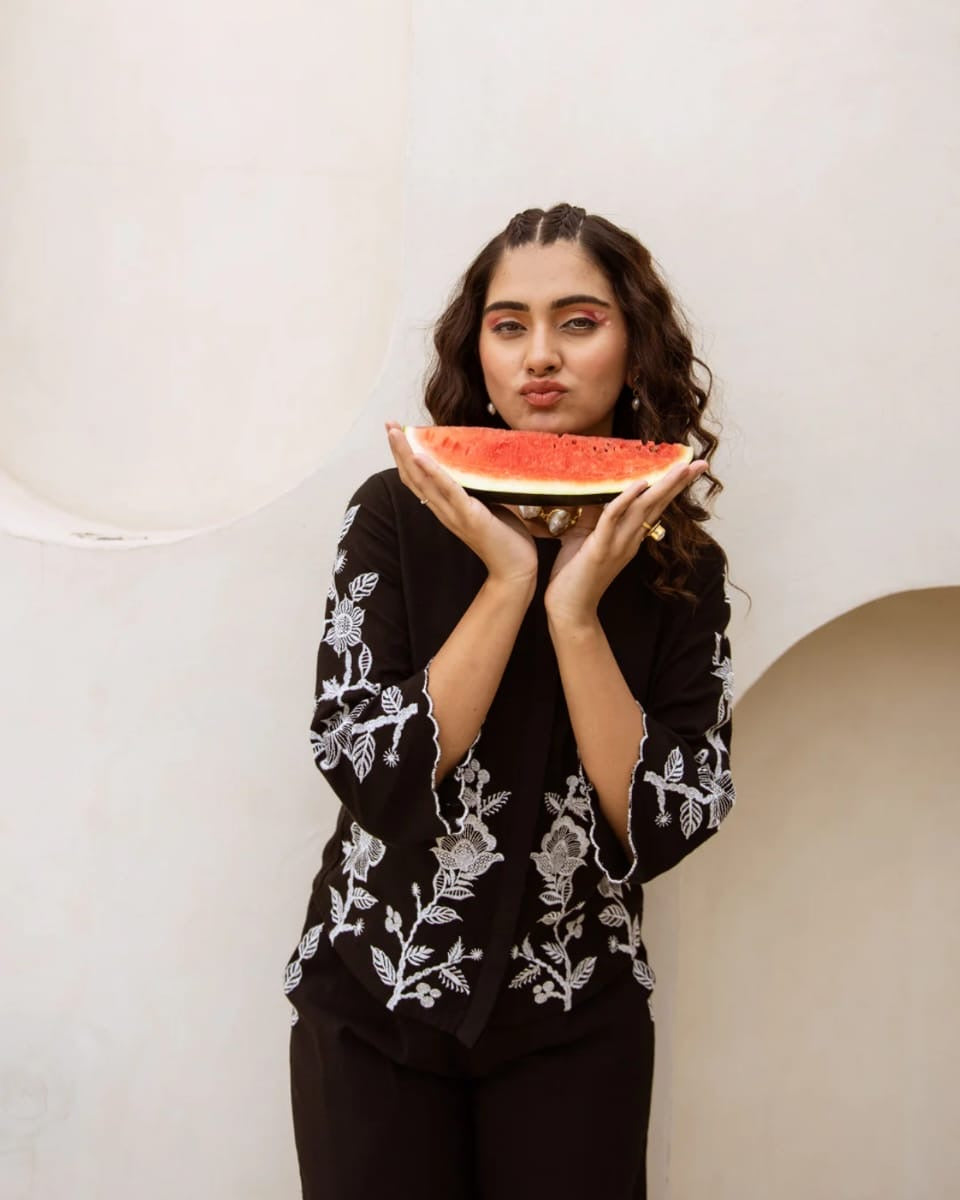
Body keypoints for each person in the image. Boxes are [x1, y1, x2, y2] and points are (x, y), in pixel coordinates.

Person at [283, 203, 737, 1200]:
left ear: (635, 343)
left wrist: (575, 614)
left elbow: (671, 819)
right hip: (375, 1000)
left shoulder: (682, 567)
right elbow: (366, 766)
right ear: (477, 350)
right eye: (508, 324)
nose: (541, 355)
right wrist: (504, 586)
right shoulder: (392, 514)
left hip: (575, 1015)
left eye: (579, 321)